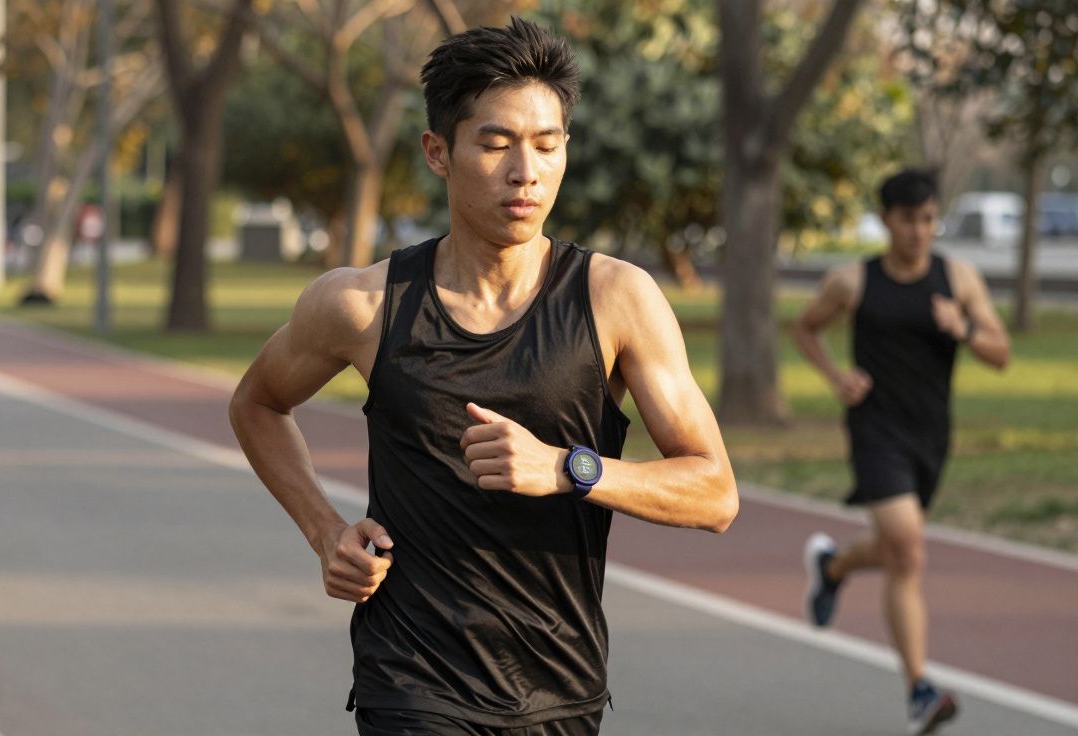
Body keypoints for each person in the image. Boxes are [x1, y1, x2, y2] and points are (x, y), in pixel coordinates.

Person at [229, 18, 738, 736]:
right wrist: (324, 533)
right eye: (496, 144)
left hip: (559, 688)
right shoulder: (364, 305)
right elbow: (256, 402)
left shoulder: (616, 299)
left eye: (547, 144)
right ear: (439, 152)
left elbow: (715, 491)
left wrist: (569, 468)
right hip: (412, 682)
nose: (524, 171)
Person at [793, 169, 1010, 735]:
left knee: (897, 548)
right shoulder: (853, 282)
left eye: (928, 219)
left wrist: (961, 327)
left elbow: (1001, 351)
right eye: (908, 220)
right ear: (887, 220)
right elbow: (806, 328)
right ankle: (919, 688)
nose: (919, 231)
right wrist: (836, 377)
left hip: (932, 436)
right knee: (909, 552)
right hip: (875, 430)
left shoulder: (958, 279)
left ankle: (833, 566)